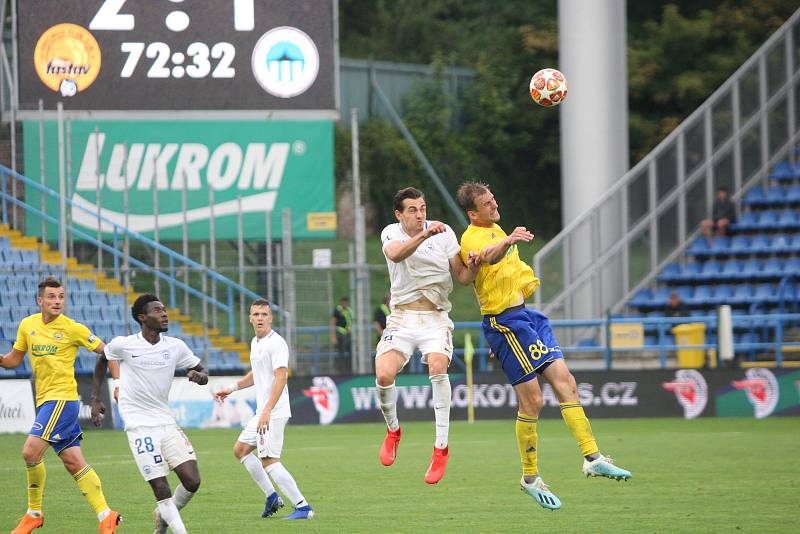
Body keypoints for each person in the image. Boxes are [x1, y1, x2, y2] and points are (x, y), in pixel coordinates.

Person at [456, 181, 631, 511]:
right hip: (505, 323)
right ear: (473, 213)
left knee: (566, 381)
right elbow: (488, 259)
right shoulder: (472, 238)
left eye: (494, 199)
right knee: (533, 401)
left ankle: (592, 457)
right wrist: (508, 240)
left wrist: (506, 240)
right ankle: (530, 477)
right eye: (487, 203)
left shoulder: (494, 228)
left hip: (526, 317)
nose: (495, 205)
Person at [375, 187, 480, 485]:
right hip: (402, 318)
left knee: (437, 366)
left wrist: (473, 266)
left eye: (422, 208)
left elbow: (462, 278)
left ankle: (440, 449)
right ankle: (393, 430)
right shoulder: (391, 233)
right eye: (412, 210)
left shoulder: (443, 233)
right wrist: (424, 235)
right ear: (399, 214)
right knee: (383, 375)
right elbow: (396, 255)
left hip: (434, 318)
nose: (420, 214)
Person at [0, 277, 121, 534]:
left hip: (62, 400)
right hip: (45, 400)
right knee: (74, 462)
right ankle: (106, 514)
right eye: (52, 297)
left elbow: (108, 351)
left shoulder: (72, 328)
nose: (57, 301)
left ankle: (33, 514)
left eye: (61, 297)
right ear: (40, 300)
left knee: (30, 452)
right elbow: (13, 359)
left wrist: (116, 385)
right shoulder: (27, 325)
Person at [90, 294, 208, 534]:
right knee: (161, 488)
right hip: (139, 426)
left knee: (192, 481)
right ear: (143, 318)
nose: (164, 314)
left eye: (164, 309)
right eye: (157, 310)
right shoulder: (125, 344)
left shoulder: (175, 346)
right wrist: (95, 398)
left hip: (166, 421)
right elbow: (103, 359)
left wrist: (200, 377)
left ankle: (163, 517)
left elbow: (202, 371)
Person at [214, 299, 314, 520]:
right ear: (250, 318)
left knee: (268, 459)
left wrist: (267, 410)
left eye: (264, 314)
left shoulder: (276, 343)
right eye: (256, 314)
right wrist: (231, 388)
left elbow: (281, 377)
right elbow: (256, 373)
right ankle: (271, 496)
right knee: (240, 450)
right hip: (264, 411)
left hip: (273, 412)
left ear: (270, 318)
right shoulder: (256, 342)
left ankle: (303, 507)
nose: (260, 318)